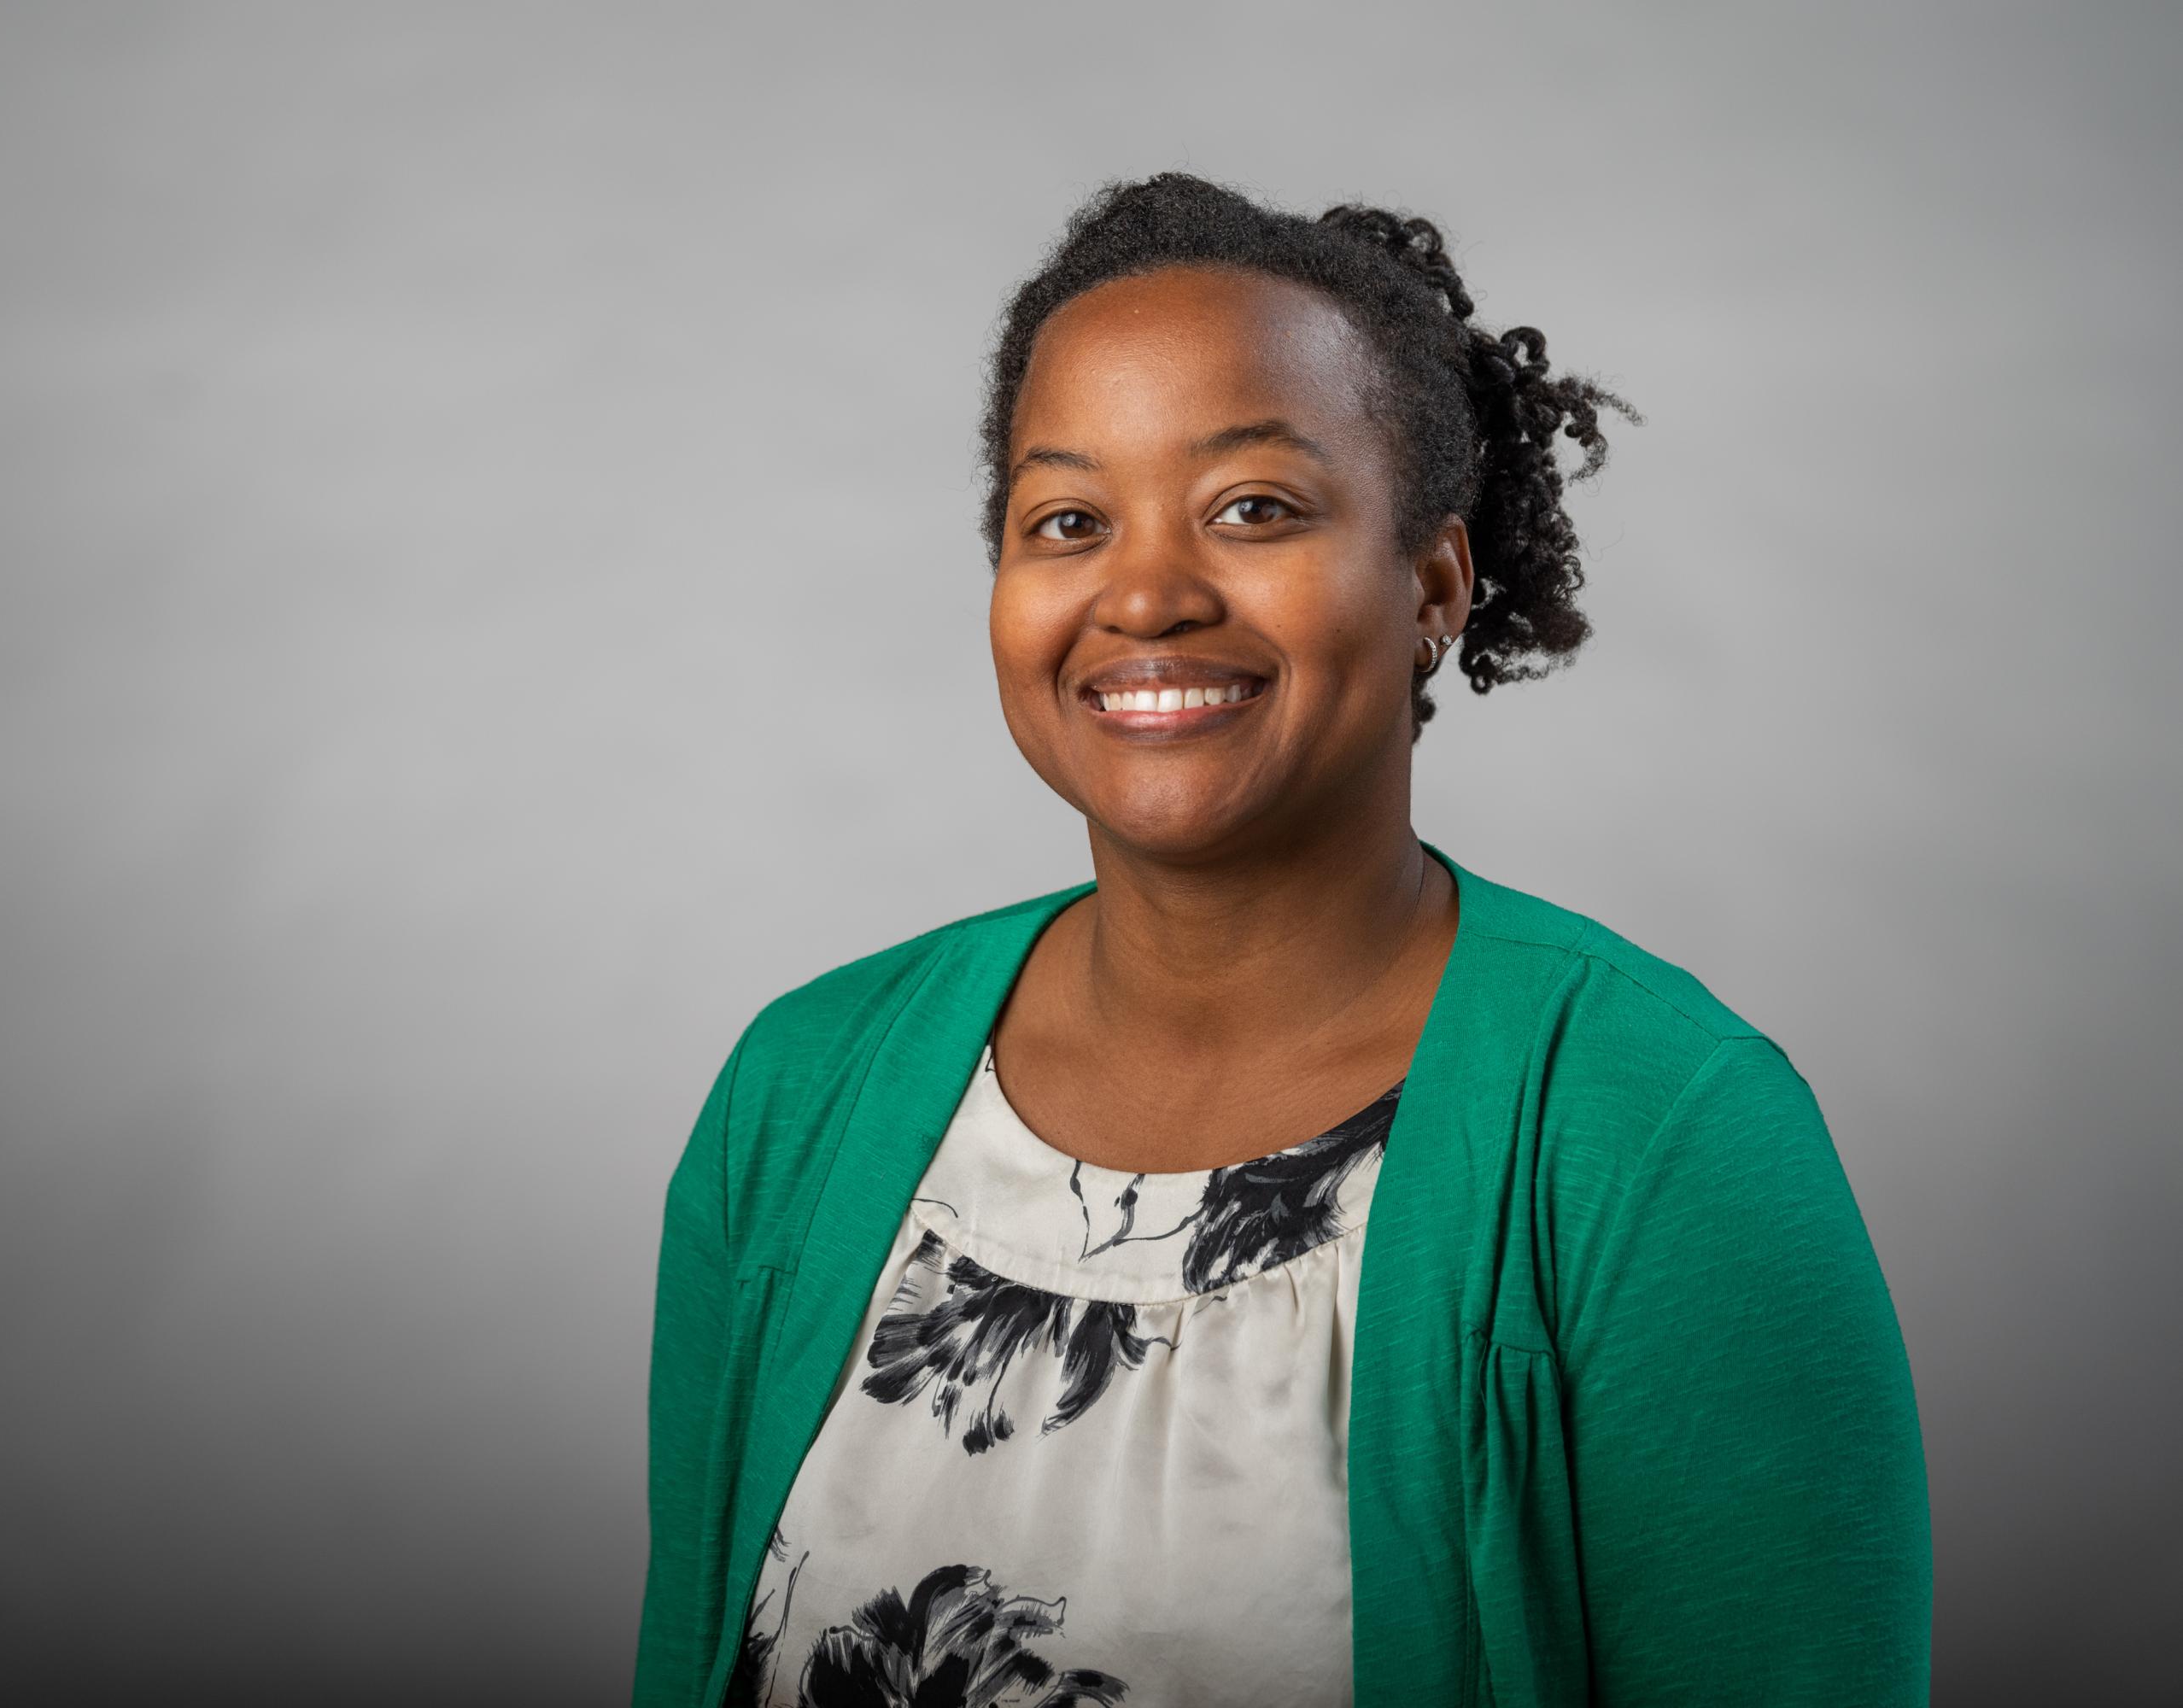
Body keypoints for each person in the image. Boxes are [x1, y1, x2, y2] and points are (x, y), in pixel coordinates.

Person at [631, 173, 1932, 1708]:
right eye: (1067, 518)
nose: (1145, 593)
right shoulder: (801, 1090)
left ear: (1433, 582)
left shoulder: (1658, 1138)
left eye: (1253, 508)